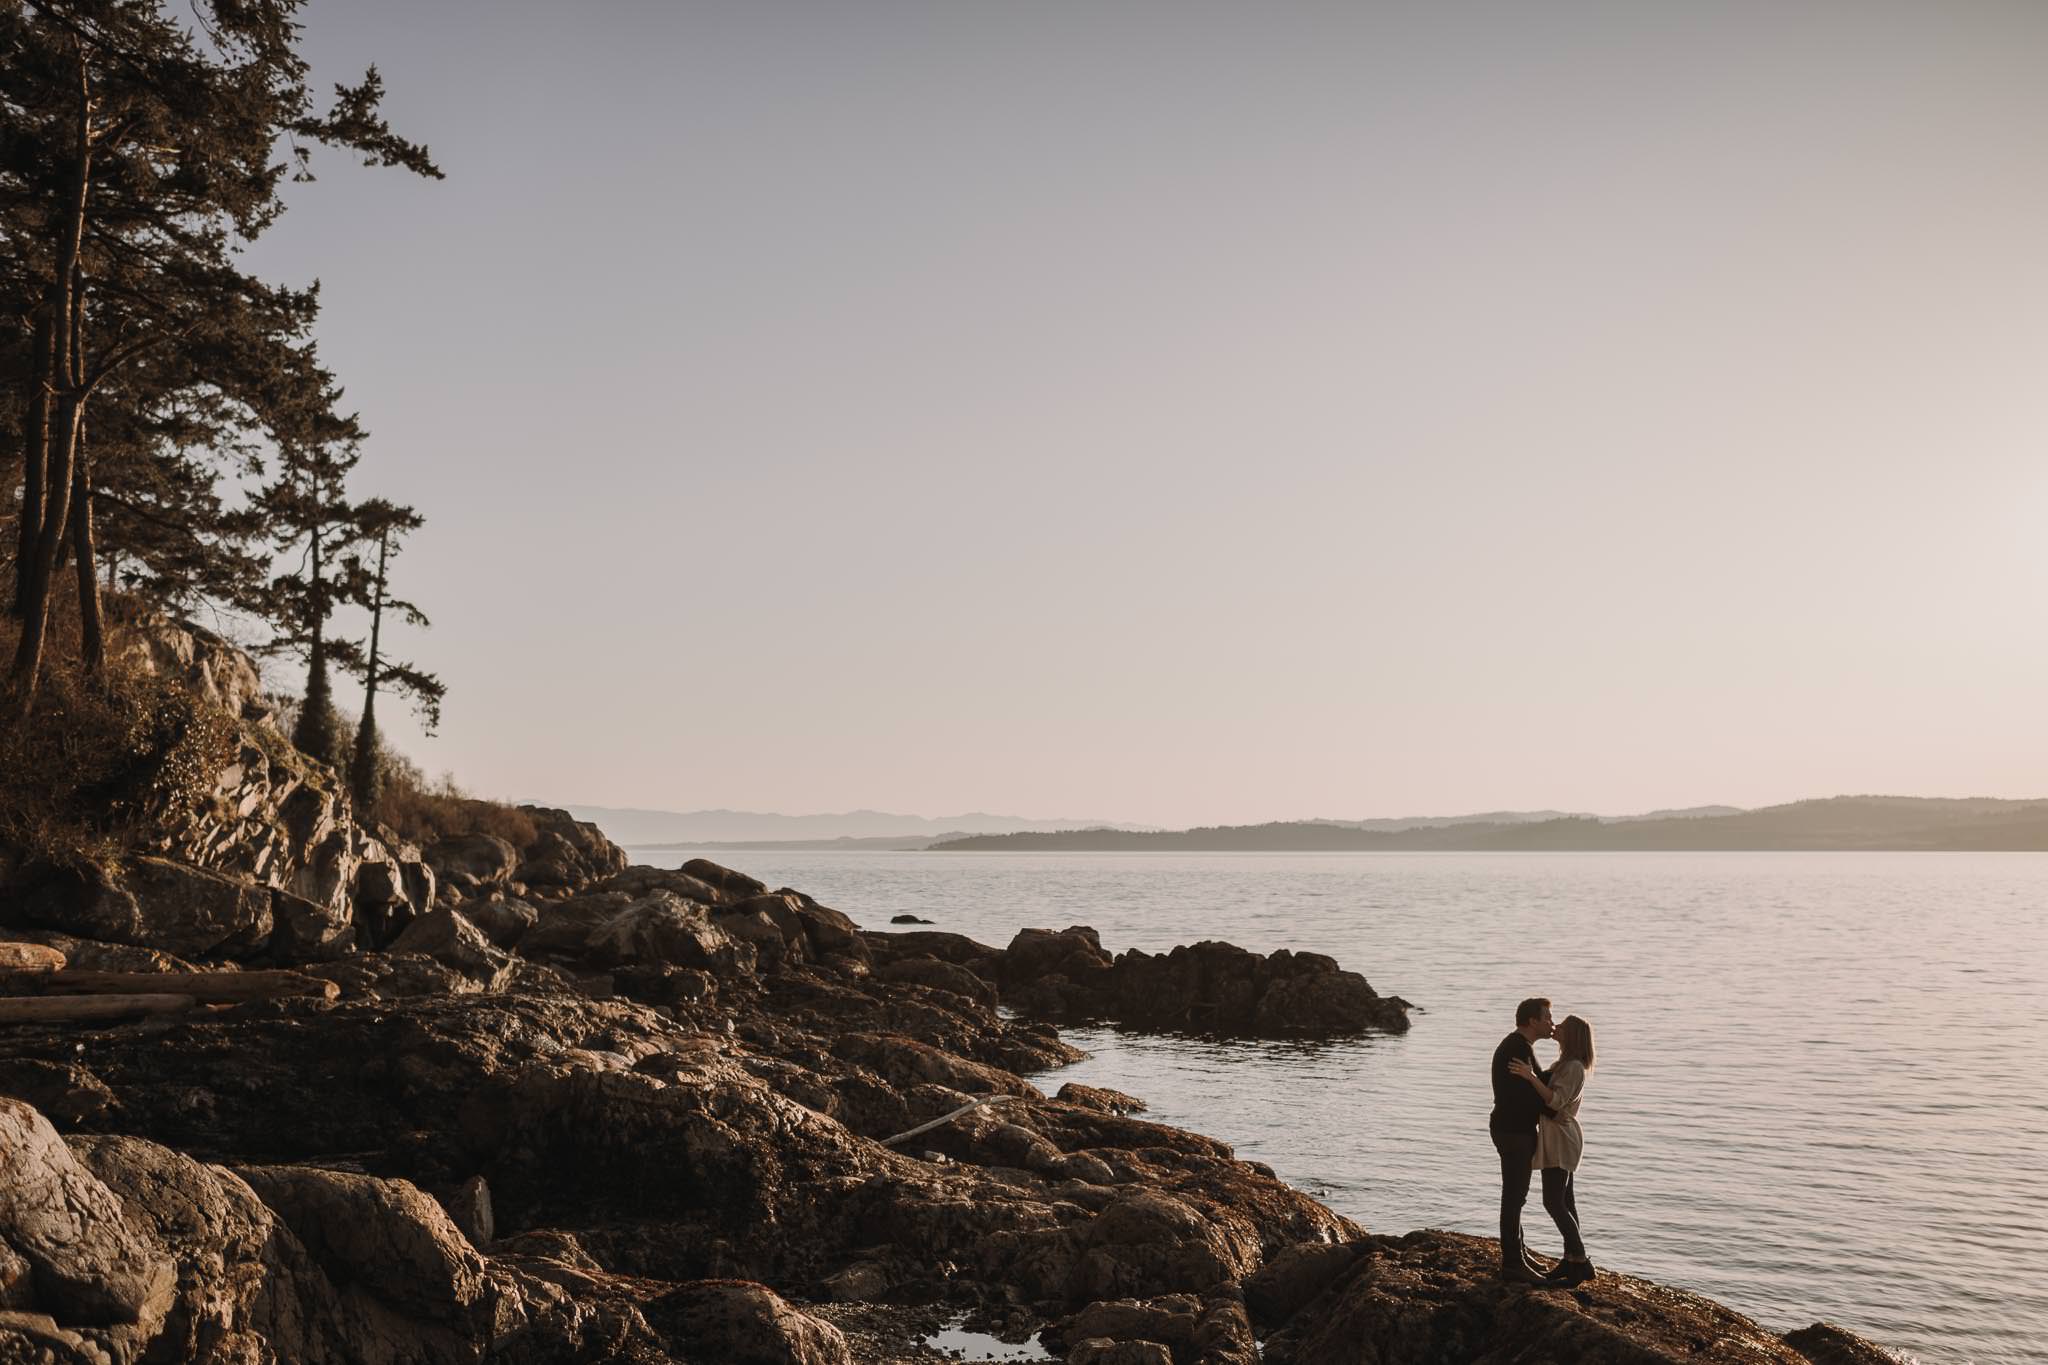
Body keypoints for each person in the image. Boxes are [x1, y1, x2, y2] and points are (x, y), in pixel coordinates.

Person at [1510, 1013, 1597, 1285]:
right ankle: (1571, 1261)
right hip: (1557, 1136)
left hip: (1561, 1138)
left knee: (1553, 1201)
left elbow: (1556, 1102)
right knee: (1566, 1202)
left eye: (1562, 1026)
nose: (1555, 1027)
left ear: (1572, 1036)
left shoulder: (1573, 1067)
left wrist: (1530, 1077)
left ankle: (1581, 1260)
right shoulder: (1565, 1063)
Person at [1488, 996, 1554, 1283]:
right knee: (1514, 1197)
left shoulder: (1520, 1046)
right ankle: (1513, 1264)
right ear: (1532, 1021)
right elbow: (1527, 1096)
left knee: (1516, 1196)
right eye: (1547, 1018)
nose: (1552, 1023)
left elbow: (1537, 1081)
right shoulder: (1517, 1048)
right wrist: (1553, 1107)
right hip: (1513, 1131)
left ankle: (1519, 1255)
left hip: (1512, 1129)